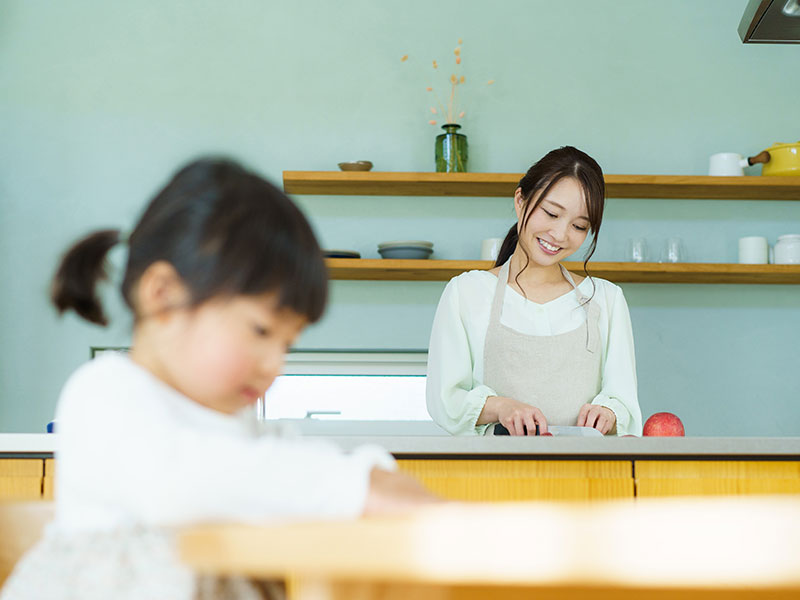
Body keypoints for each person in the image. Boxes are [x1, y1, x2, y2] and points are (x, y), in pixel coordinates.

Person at [1, 158, 435, 600]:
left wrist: (377, 479)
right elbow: (180, 484)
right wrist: (356, 486)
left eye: (287, 345)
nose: (274, 365)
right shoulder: (105, 393)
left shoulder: (241, 426)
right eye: (261, 331)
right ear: (163, 296)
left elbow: (303, 465)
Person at [426, 146, 642, 437]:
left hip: (585, 475)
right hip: (492, 476)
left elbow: (625, 406)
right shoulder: (467, 292)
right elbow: (446, 401)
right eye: (551, 213)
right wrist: (502, 407)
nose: (561, 235)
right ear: (520, 201)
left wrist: (609, 414)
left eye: (579, 226)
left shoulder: (606, 299)